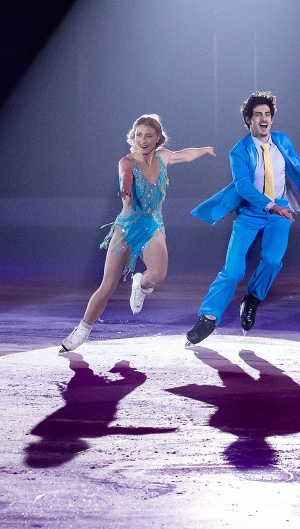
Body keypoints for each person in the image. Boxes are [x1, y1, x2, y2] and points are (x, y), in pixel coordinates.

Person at [61, 114, 215, 352]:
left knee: (159, 275)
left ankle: (141, 284)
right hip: (126, 226)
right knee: (108, 285)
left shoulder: (163, 157)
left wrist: (205, 149)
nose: (143, 140)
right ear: (133, 137)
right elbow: (125, 179)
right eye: (139, 135)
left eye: (149, 136)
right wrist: (125, 190)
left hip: (152, 224)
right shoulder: (127, 162)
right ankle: (82, 330)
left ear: (157, 139)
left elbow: (184, 154)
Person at [185, 91, 300, 345]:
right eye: (258, 115)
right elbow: (243, 187)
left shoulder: (282, 141)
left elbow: (297, 160)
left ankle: (252, 299)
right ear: (248, 120)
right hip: (251, 213)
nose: (264, 118)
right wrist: (270, 205)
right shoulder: (239, 151)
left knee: (272, 260)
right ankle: (208, 317)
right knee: (233, 270)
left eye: (267, 114)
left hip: (280, 213)